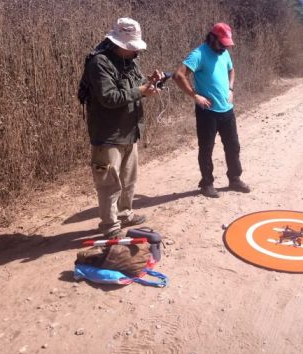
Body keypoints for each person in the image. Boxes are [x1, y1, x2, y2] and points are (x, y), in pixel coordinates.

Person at [81, 17, 161, 238]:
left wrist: (150, 84)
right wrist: (141, 91)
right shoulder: (99, 62)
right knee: (109, 184)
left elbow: (136, 86)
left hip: (129, 131)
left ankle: (125, 214)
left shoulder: (130, 61)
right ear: (118, 44)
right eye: (131, 47)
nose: (135, 52)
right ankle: (109, 226)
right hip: (108, 135)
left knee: (128, 179)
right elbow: (109, 97)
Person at [173, 22, 250, 198]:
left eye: (226, 43)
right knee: (206, 148)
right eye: (222, 43)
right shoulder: (199, 54)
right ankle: (207, 183)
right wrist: (195, 96)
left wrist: (231, 89)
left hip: (227, 110)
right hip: (207, 112)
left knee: (233, 146)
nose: (224, 47)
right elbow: (178, 75)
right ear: (212, 37)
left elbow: (231, 70)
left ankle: (235, 179)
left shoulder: (224, 53)